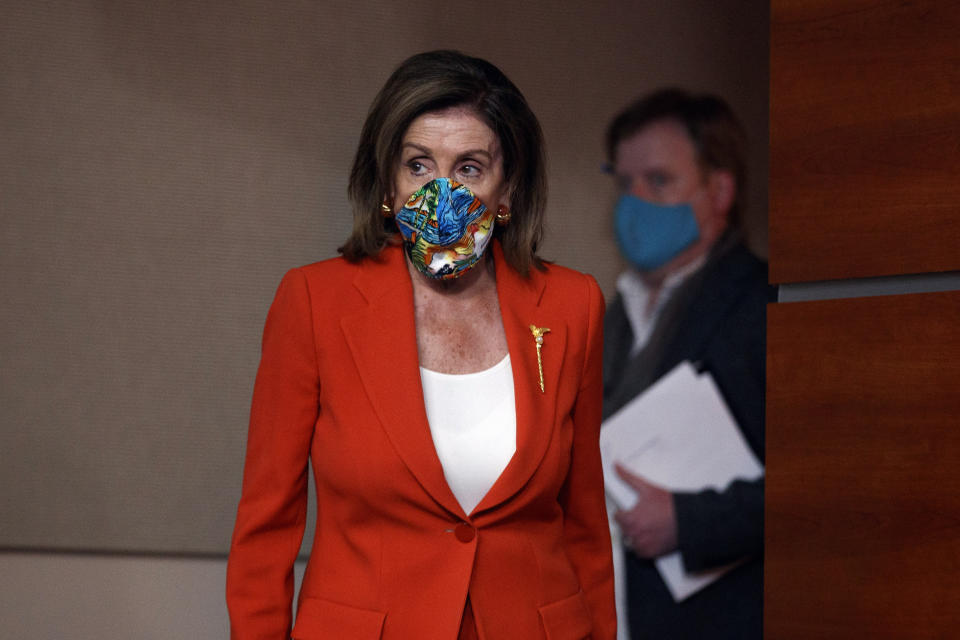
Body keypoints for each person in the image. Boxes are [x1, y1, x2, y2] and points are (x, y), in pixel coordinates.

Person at [226, 50, 616, 640]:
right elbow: (266, 524)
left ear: (506, 185)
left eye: (468, 169)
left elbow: (585, 526)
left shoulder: (572, 306)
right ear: (388, 181)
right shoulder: (313, 301)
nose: (441, 193)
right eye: (418, 166)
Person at [601, 89, 773, 639]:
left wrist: (689, 522)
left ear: (719, 190)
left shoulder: (767, 305)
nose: (635, 203)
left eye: (658, 181)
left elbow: (831, 482)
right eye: (625, 183)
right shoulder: (614, 312)